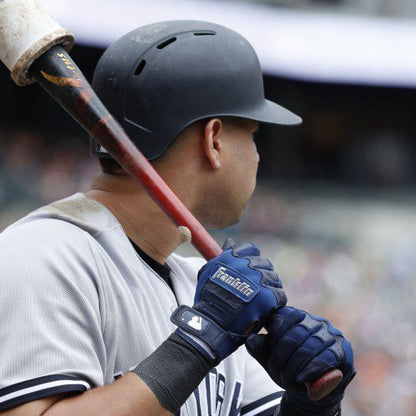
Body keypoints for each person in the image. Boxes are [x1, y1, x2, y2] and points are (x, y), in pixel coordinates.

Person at [0, 20, 355, 416]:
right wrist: (198, 341)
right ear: (214, 140)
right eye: (253, 133)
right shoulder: (41, 255)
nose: (256, 155)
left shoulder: (198, 287)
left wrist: (308, 407)